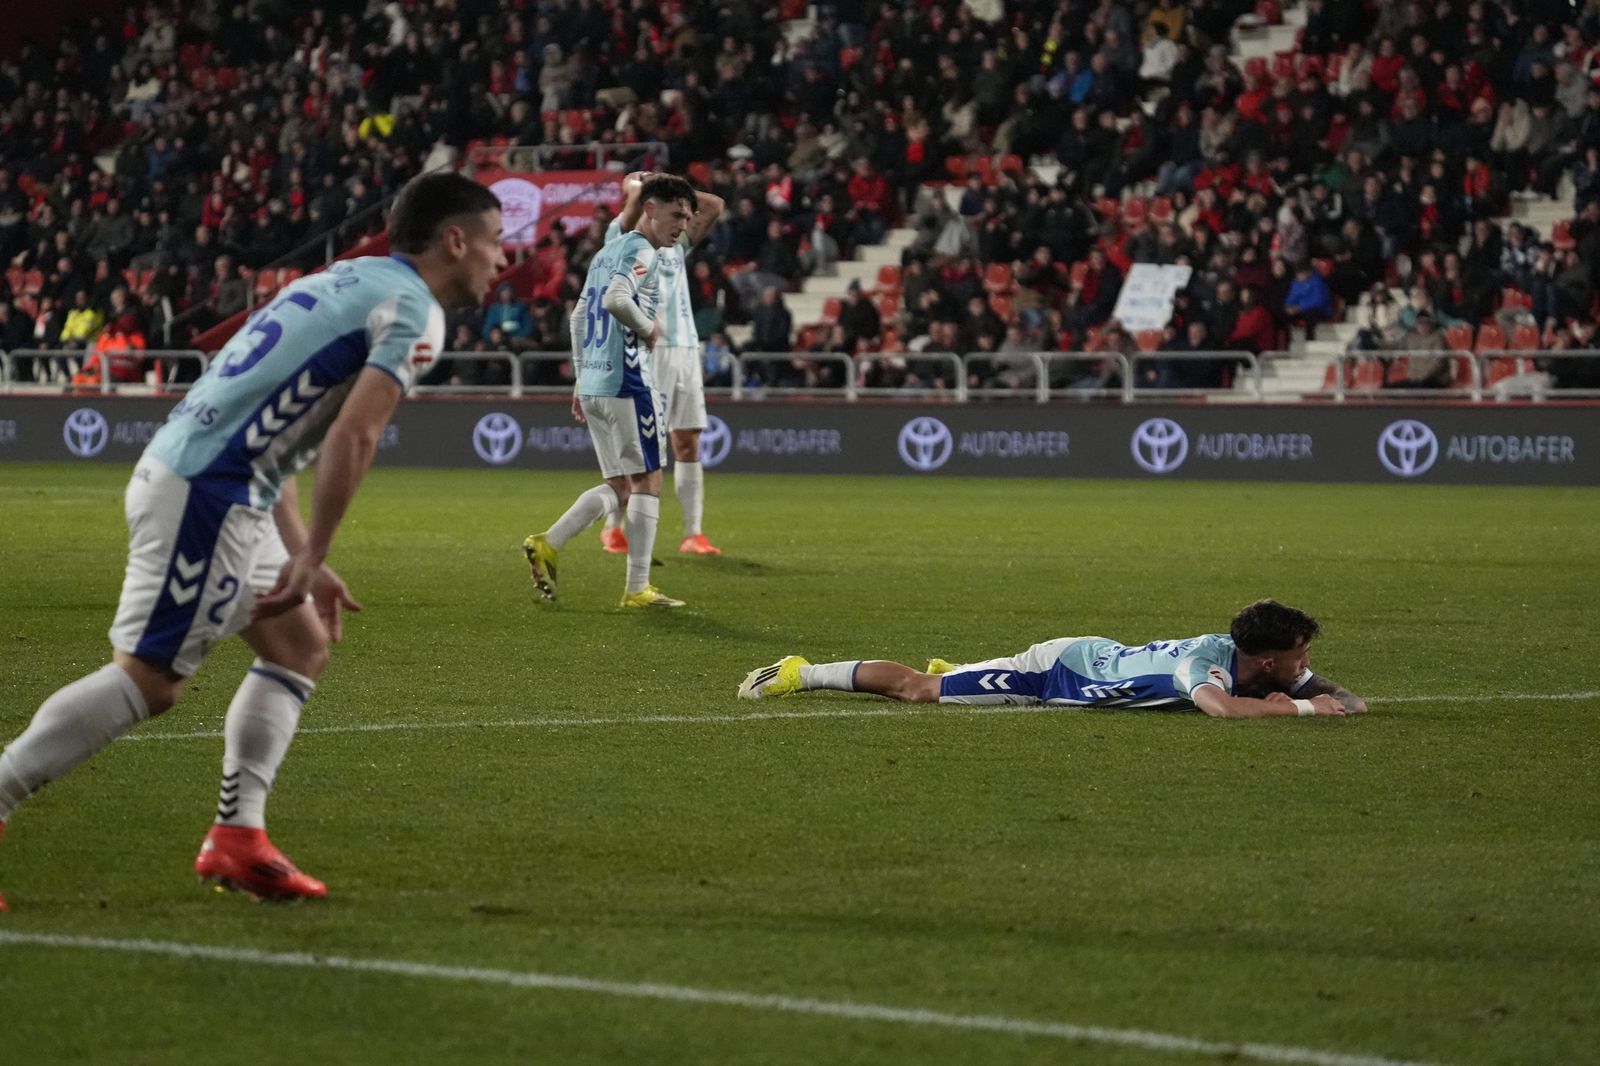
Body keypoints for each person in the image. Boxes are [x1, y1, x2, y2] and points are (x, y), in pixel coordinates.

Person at [0, 172, 505, 909]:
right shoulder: (415, 313)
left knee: (299, 646)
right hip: (209, 491)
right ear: (454, 240)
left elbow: (277, 426)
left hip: (214, 476)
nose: (501, 260)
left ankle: (238, 838)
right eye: (494, 242)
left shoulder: (344, 280)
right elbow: (352, 436)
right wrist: (313, 553)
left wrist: (304, 556)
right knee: (149, 680)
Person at [522, 175, 697, 609]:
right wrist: (648, 327)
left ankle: (549, 542)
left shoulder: (605, 252)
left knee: (619, 485)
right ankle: (637, 588)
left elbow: (578, 316)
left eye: (688, 218)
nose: (683, 225)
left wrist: (581, 378)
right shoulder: (641, 250)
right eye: (676, 214)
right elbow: (616, 301)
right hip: (628, 380)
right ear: (649, 208)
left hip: (598, 381)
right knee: (648, 480)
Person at [738, 599, 1366, 718]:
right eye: (1300, 653)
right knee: (919, 692)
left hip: (1092, 657)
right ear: (1265, 662)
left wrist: (1318, 698)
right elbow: (1223, 712)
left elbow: (1352, 701)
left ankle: (961, 673)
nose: (1305, 661)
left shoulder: (1260, 660)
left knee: (943, 682)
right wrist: (1305, 712)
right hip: (1058, 671)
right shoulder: (1204, 669)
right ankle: (805, 671)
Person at [596, 171, 726, 557]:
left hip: (684, 349)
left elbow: (715, 205)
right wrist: (639, 187)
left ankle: (693, 534)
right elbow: (635, 200)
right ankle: (613, 527)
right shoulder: (620, 237)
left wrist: (665, 184)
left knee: (688, 439)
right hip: (644, 351)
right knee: (637, 447)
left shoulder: (675, 241)